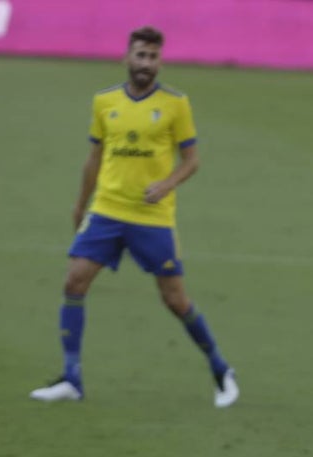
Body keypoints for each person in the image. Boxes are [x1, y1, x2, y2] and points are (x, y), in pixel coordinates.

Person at [30, 26, 238, 407]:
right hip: (107, 210)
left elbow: (192, 161)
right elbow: (93, 158)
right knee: (74, 282)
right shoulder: (104, 102)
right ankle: (71, 377)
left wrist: (166, 185)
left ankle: (221, 368)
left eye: (153, 57)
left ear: (160, 60)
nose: (146, 64)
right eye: (140, 55)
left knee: (175, 300)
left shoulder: (176, 104)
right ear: (127, 57)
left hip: (152, 217)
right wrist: (81, 205)